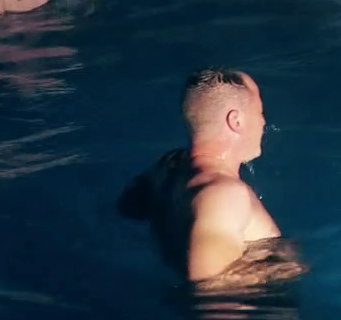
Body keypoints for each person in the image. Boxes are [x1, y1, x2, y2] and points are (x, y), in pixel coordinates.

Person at [118, 68, 308, 288]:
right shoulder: (224, 195)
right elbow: (210, 290)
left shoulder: (167, 166)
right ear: (236, 121)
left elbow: (128, 208)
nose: (264, 122)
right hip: (252, 309)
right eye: (259, 112)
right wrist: (281, 269)